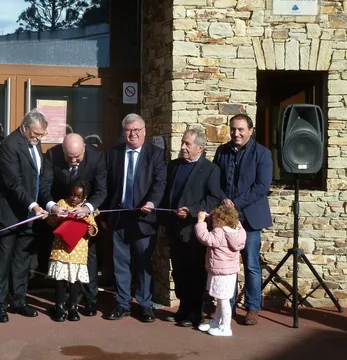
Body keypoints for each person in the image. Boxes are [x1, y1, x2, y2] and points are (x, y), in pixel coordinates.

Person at [104, 113, 166, 323]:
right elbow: (106, 186)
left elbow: (160, 183)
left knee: (143, 263)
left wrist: (152, 202)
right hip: (120, 216)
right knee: (120, 263)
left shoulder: (155, 154)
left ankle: (145, 305)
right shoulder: (113, 154)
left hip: (143, 218)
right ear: (123, 132)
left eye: (137, 130)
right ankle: (122, 304)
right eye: (128, 130)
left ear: (144, 131)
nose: (133, 134)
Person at [213, 114, 273, 326]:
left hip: (250, 219)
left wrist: (236, 203)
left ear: (251, 130)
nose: (236, 133)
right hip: (227, 219)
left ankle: (252, 308)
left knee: (251, 266)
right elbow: (214, 180)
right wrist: (223, 200)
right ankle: (226, 306)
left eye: (240, 129)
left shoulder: (263, 154)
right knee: (227, 265)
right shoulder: (222, 152)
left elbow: (262, 186)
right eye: (233, 129)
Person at [0, 109, 49, 323]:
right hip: (9, 213)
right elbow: (14, 182)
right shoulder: (9, 145)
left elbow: (38, 177)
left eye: (42, 135)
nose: (38, 139)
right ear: (24, 127)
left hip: (29, 214)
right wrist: (33, 205)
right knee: (3, 260)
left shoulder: (35, 143)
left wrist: (46, 204)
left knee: (22, 260)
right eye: (35, 134)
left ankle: (19, 300)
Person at [39, 133, 107, 316]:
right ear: (63, 150)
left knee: (88, 258)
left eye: (78, 156)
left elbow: (101, 190)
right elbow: (44, 186)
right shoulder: (52, 155)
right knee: (61, 260)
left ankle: (90, 299)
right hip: (60, 214)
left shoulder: (97, 157)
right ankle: (62, 302)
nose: (74, 161)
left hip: (84, 213)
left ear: (84, 147)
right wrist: (53, 207)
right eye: (70, 157)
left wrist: (88, 207)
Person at [160, 129, 222, 327]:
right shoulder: (174, 165)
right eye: (183, 143)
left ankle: (195, 313)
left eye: (187, 144)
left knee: (194, 272)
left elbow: (213, 198)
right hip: (175, 228)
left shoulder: (211, 169)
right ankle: (182, 310)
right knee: (178, 272)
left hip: (194, 231)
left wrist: (192, 211)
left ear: (200, 148)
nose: (183, 147)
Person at [46, 179, 99, 322]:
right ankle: (59, 308)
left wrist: (91, 229)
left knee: (75, 282)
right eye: (72, 195)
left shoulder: (86, 210)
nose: (74, 199)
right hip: (61, 250)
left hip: (78, 252)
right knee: (60, 281)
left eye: (78, 196)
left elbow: (94, 227)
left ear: (85, 197)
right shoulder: (62, 204)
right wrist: (56, 217)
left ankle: (73, 308)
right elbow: (50, 221)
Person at [195, 206, 246, 337]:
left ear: (220, 221)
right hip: (229, 272)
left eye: (214, 219)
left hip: (220, 272)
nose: (212, 222)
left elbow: (205, 238)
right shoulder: (238, 231)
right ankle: (216, 322)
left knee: (223, 300)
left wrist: (201, 222)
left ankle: (225, 327)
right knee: (221, 298)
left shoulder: (219, 232)